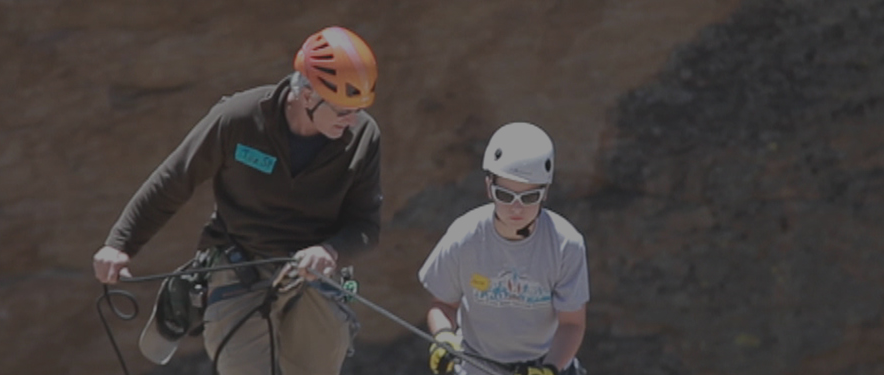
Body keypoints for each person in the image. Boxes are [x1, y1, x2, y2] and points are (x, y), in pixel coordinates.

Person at [91, 26, 382, 375]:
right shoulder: (238, 120)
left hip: (314, 276)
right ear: (307, 96)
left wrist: (331, 251)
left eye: (358, 109)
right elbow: (175, 178)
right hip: (237, 265)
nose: (352, 121)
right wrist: (121, 244)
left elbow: (366, 226)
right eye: (342, 112)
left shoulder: (364, 137)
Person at [418, 122, 590, 375]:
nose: (516, 208)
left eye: (529, 198)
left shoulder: (565, 244)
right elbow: (442, 304)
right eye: (506, 195)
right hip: (475, 366)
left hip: (543, 365)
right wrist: (444, 337)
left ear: (545, 193)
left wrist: (550, 369)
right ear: (489, 187)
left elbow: (572, 323)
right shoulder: (464, 236)